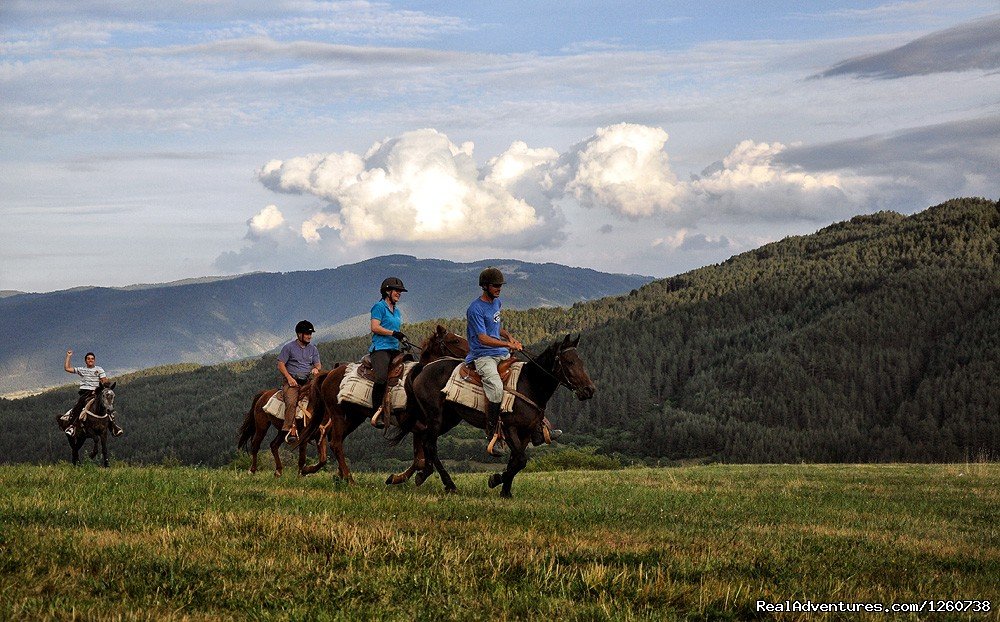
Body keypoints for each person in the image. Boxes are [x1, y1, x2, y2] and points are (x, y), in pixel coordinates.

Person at [465, 267, 523, 454]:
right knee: (497, 389)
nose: (499, 288)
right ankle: (491, 434)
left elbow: (496, 328)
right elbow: (483, 338)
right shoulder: (475, 309)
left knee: (523, 378)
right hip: (483, 355)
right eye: (495, 285)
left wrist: (509, 337)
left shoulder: (496, 303)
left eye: (500, 285)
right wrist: (508, 346)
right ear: (485, 286)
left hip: (499, 351)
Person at [369, 277, 408, 428]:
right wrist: (393, 333)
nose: (399, 293)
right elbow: (375, 327)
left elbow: (394, 330)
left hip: (393, 347)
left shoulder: (396, 310)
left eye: (400, 291)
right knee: (381, 377)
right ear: (387, 291)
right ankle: (376, 411)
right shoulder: (379, 307)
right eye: (397, 291)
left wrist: (401, 336)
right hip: (380, 348)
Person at [278, 320, 322, 443]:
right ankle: (289, 429)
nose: (309, 336)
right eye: (307, 334)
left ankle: (316, 427)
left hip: (308, 381)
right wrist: (289, 378)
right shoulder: (289, 348)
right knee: (291, 402)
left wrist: (315, 369)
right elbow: (281, 364)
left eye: (310, 334)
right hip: (292, 381)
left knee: (319, 399)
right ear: (299, 334)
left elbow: (318, 364)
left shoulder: (313, 349)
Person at [63, 350, 121, 437]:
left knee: (106, 405)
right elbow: (67, 368)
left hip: (96, 392)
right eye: (88, 359)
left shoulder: (99, 369)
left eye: (92, 359)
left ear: (94, 360)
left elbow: (104, 380)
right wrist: (68, 356)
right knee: (78, 406)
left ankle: (113, 427)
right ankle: (72, 426)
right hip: (85, 392)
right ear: (85, 360)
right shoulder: (81, 369)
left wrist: (105, 384)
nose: (90, 360)